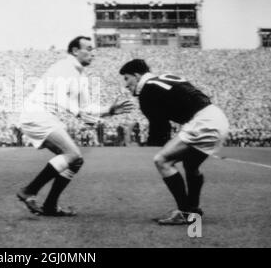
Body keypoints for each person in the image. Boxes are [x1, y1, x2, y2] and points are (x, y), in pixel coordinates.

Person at [17, 36, 133, 216]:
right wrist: (78, 113)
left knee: (76, 161)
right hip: (36, 114)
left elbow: (86, 108)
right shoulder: (63, 67)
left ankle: (50, 206)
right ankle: (29, 191)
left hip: (45, 116)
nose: (92, 53)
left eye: (93, 49)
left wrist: (109, 110)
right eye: (88, 48)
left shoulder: (81, 76)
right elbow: (60, 96)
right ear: (74, 51)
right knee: (72, 154)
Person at [119, 59, 229, 225]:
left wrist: (150, 143)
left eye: (127, 79)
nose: (126, 85)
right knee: (191, 166)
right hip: (216, 116)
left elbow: (160, 128)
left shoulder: (147, 90)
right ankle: (193, 209)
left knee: (162, 160)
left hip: (203, 121)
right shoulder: (164, 77)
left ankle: (184, 211)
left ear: (136, 75)